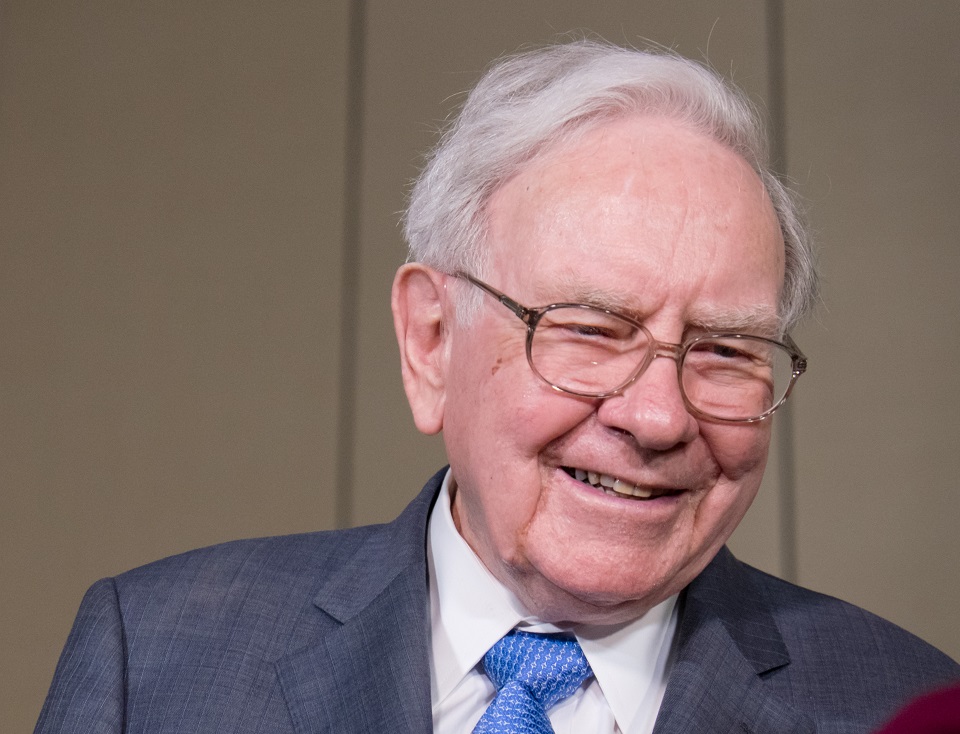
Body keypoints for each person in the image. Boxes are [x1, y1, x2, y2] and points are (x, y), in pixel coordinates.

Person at [36, 40, 958, 734]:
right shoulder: (154, 661)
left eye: (725, 350)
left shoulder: (902, 705)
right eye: (591, 330)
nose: (656, 417)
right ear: (431, 342)